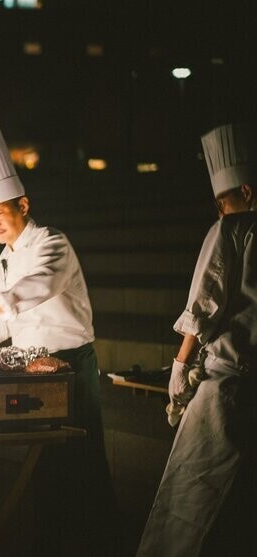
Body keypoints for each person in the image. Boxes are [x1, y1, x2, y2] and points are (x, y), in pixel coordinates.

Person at [0, 125, 117, 553]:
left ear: (23, 204)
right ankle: (52, 541)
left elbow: (39, 285)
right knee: (44, 462)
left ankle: (99, 542)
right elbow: (6, 327)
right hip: (33, 367)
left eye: (0, 214)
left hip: (71, 363)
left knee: (81, 458)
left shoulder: (52, 242)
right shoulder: (3, 261)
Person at [137, 123, 257, 557]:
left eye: (221, 201)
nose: (218, 210)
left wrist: (180, 364)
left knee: (189, 503)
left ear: (245, 192)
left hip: (226, 386)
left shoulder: (232, 228)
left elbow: (204, 302)